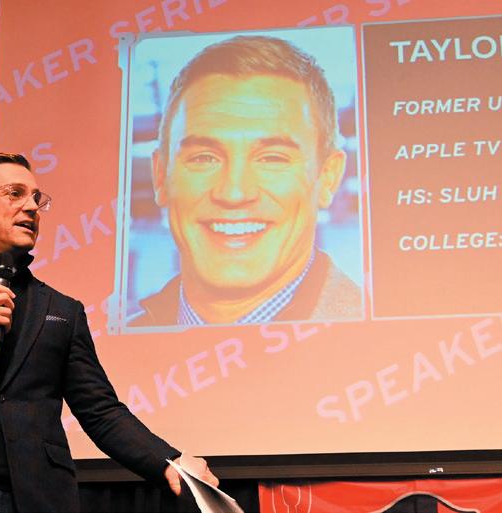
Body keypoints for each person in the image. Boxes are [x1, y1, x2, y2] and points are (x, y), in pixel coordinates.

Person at [0, 153, 217, 513]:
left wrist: (169, 461)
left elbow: (99, 409)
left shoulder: (63, 310)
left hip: (38, 497)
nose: (32, 207)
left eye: (36, 198)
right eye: (14, 193)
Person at [131, 35, 362, 327]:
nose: (234, 192)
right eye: (204, 158)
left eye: (272, 158)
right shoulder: (99, 343)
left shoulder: (382, 343)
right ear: (160, 176)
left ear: (328, 178)